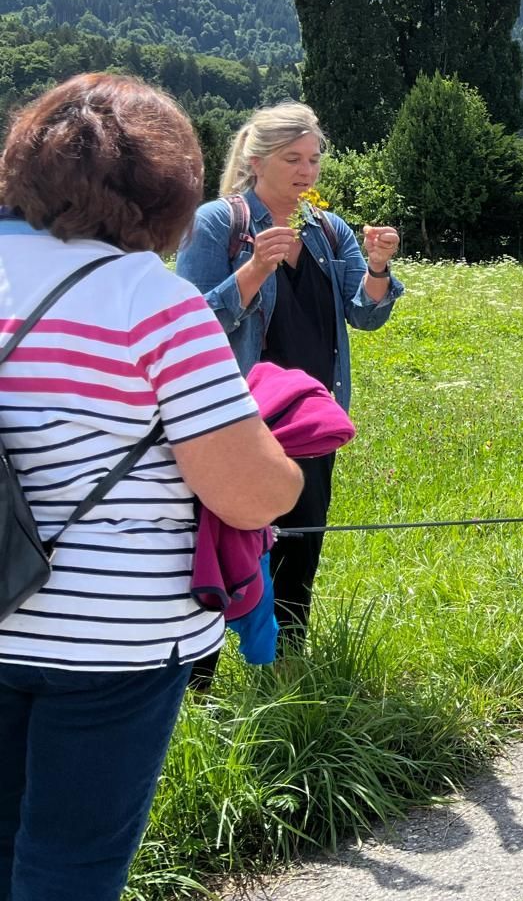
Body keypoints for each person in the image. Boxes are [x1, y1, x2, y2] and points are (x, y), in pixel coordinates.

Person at [0, 74, 302, 901]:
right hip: (111, 643)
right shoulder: (151, 302)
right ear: (165, 191)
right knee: (72, 863)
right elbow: (247, 493)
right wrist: (285, 460)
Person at [176, 103, 404, 661]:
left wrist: (378, 269)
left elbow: (365, 314)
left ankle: (287, 659)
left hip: (309, 417)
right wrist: (252, 272)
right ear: (257, 162)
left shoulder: (328, 230)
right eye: (292, 159)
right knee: (226, 545)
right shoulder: (217, 224)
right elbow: (192, 325)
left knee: (300, 543)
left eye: (314, 159)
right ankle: (202, 675)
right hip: (236, 418)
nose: (307, 172)